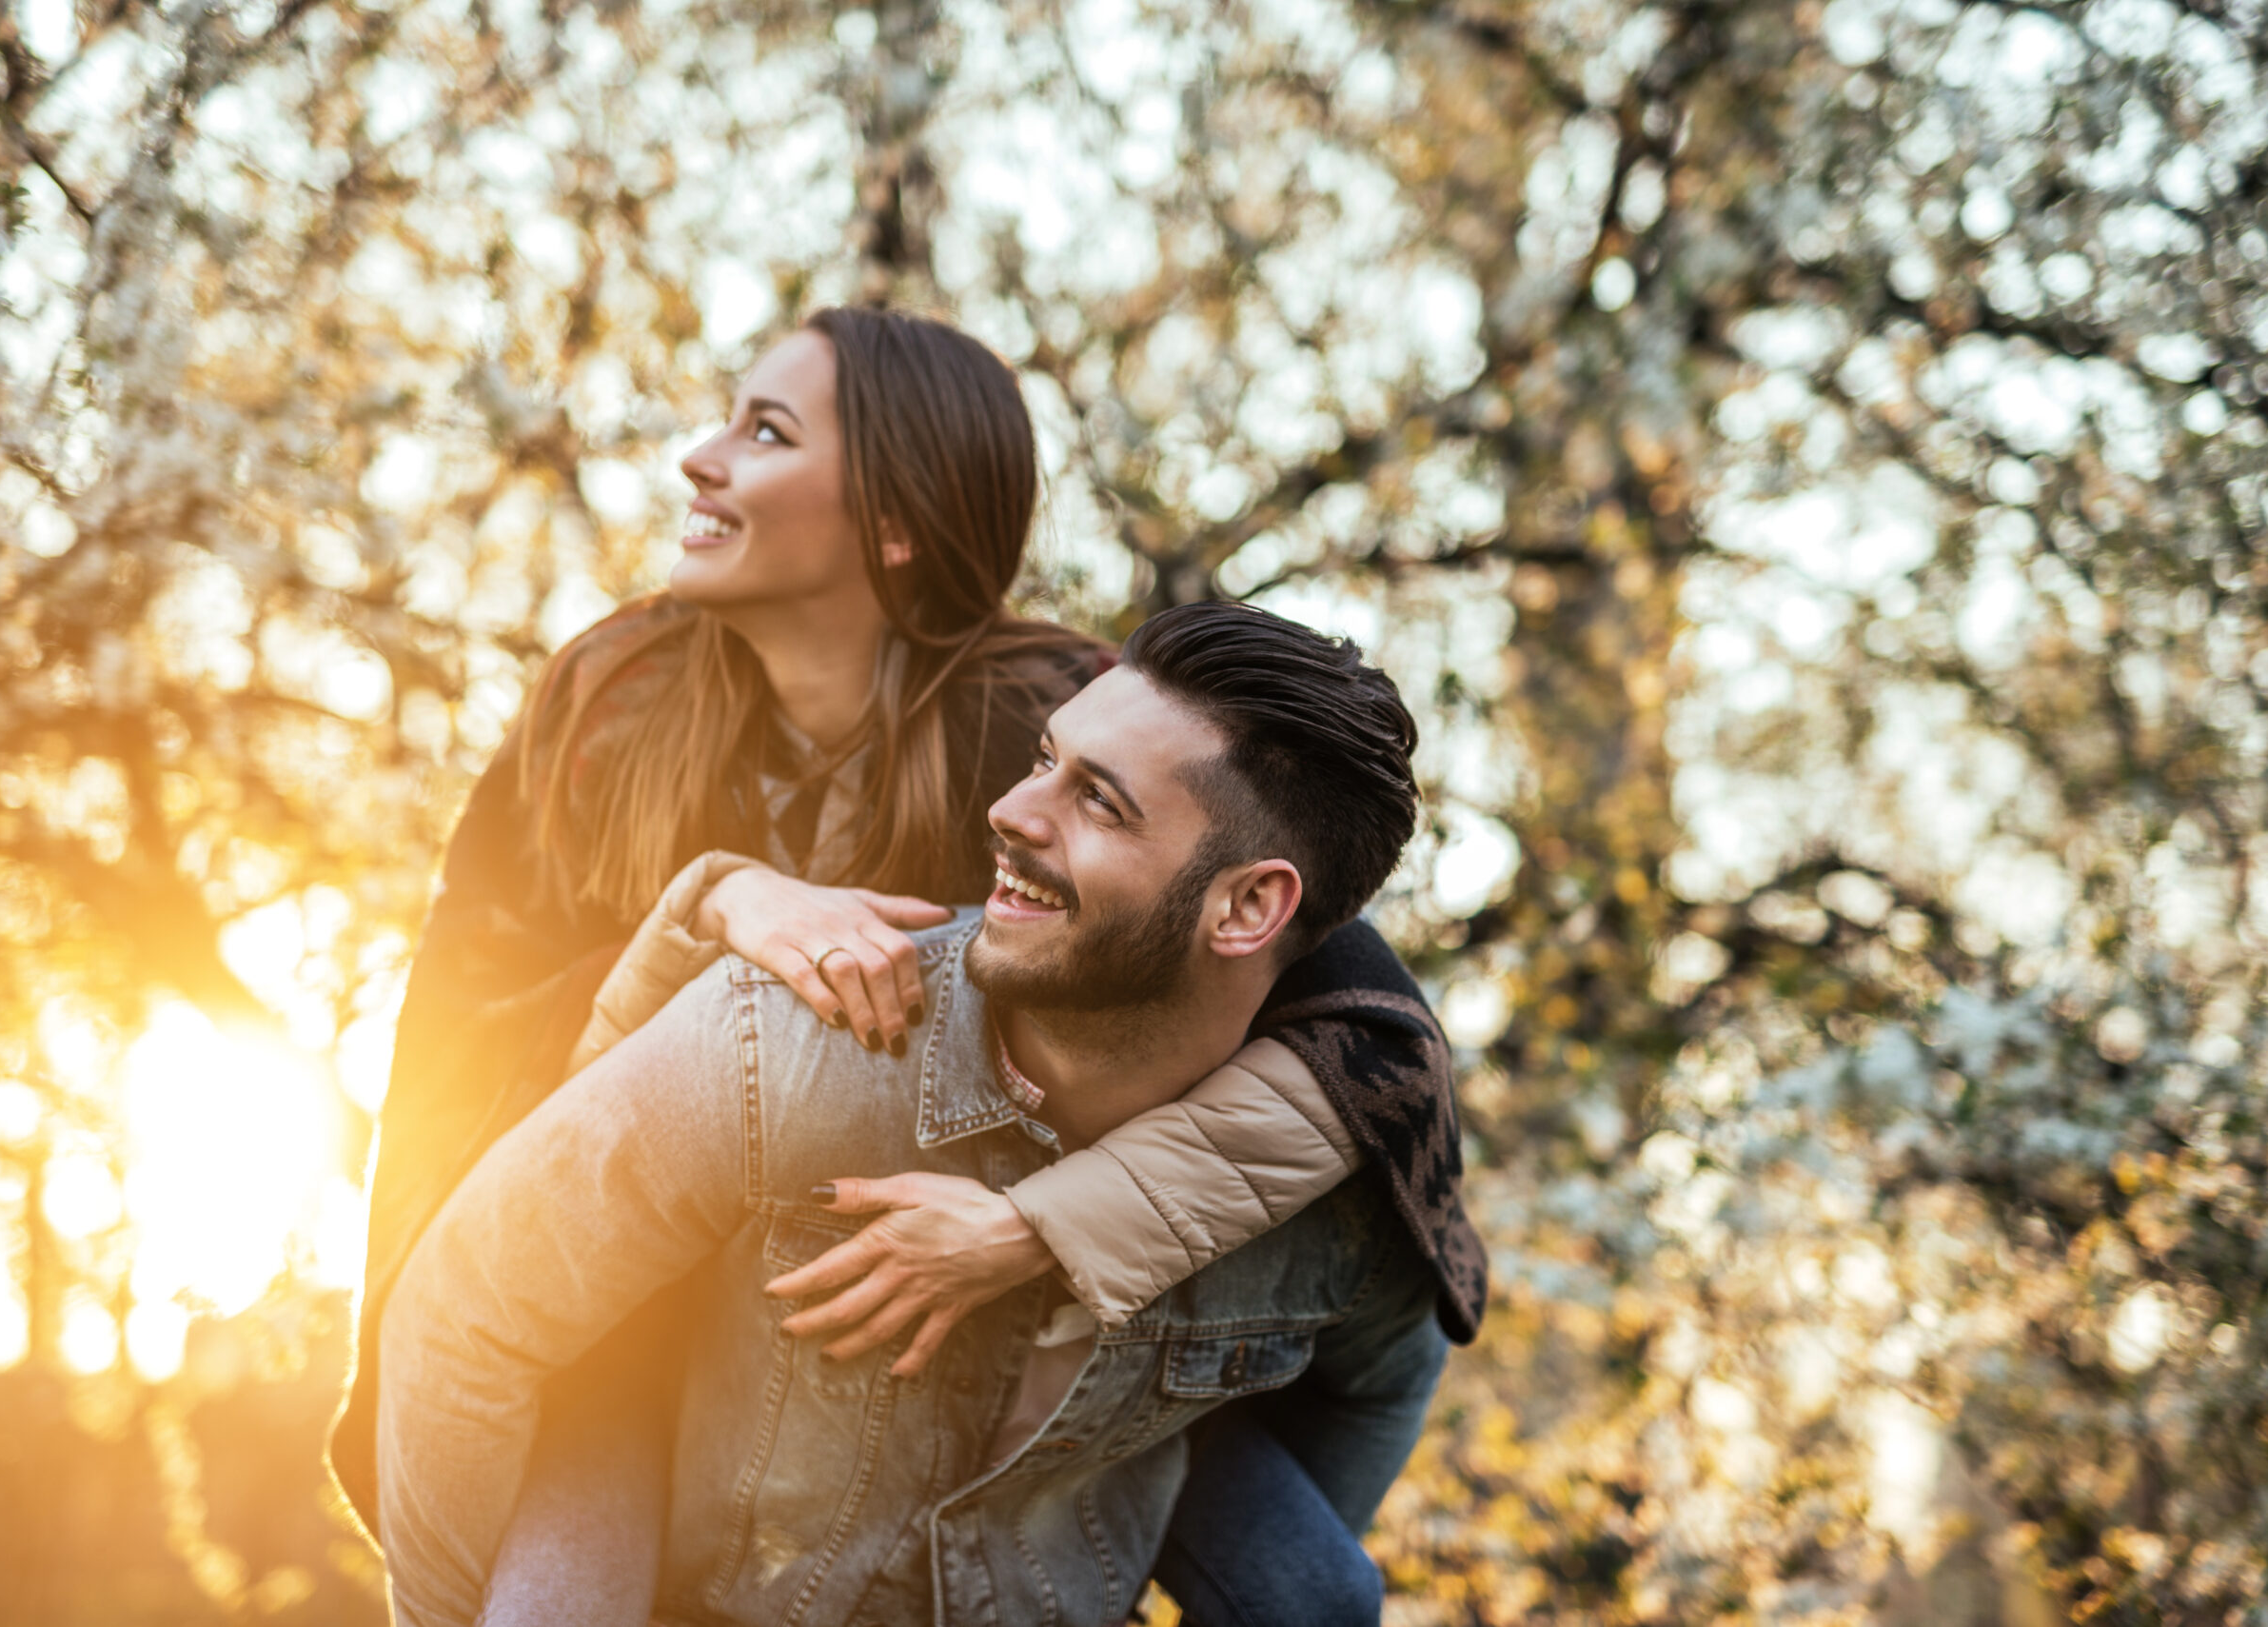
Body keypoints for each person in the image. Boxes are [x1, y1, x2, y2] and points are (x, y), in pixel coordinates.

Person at [326, 308, 1486, 1622]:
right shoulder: (611, 707)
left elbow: (1360, 1049)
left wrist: (1050, 1231)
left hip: (1019, 1312)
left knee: (1312, 1587)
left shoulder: (1049, 715)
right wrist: (717, 908)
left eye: (765, 431)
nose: (698, 460)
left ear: (894, 524)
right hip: (657, 1293)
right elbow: (464, 1034)